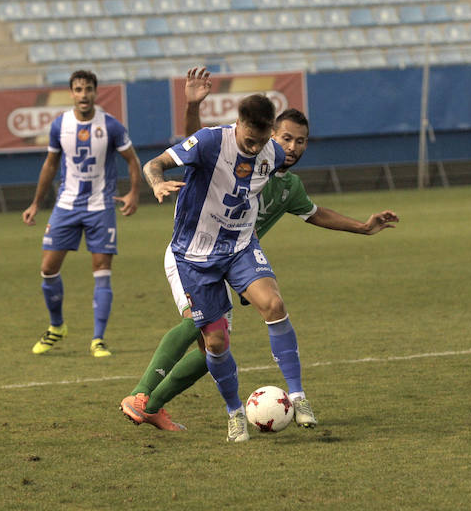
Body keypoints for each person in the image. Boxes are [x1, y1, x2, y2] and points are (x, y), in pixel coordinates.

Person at [119, 67, 399, 435]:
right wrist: (185, 122)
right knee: (198, 325)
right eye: (288, 139)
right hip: (191, 253)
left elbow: (316, 213)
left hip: (236, 252)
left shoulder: (283, 179)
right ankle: (141, 396)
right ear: (269, 132)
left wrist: (363, 227)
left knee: (219, 344)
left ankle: (156, 406)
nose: (292, 148)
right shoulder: (224, 144)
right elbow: (196, 144)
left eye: (301, 141)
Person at [22, 69, 141, 358]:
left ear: (95, 92)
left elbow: (132, 160)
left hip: (100, 207)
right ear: (71, 93)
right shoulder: (59, 125)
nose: (83, 94)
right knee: (48, 268)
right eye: (78, 89)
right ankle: (56, 326)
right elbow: (50, 165)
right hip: (67, 205)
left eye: (88, 89)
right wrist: (37, 202)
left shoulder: (111, 126)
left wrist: (134, 193)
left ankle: (98, 339)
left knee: (102, 272)